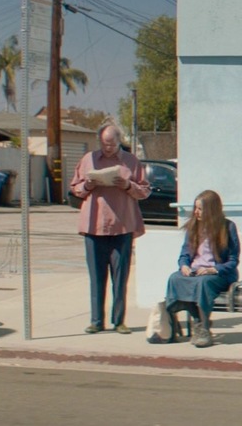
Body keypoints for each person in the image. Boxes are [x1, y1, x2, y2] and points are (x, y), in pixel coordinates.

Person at [69, 125, 151, 334]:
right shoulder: (89, 159)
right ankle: (96, 321)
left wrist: (127, 185)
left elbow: (145, 191)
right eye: (104, 144)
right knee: (96, 277)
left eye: (112, 144)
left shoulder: (131, 161)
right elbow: (75, 189)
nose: (108, 148)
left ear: (119, 141)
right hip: (93, 227)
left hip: (122, 226)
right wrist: (88, 185)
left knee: (120, 276)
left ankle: (119, 321)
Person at [163, 190, 240, 348]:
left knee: (203, 283)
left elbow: (233, 261)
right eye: (195, 208)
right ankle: (195, 321)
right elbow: (184, 254)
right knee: (175, 278)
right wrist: (183, 266)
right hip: (196, 271)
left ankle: (203, 327)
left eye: (200, 209)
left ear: (211, 210)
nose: (196, 212)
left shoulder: (228, 227)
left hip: (219, 274)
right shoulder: (193, 227)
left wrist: (213, 269)